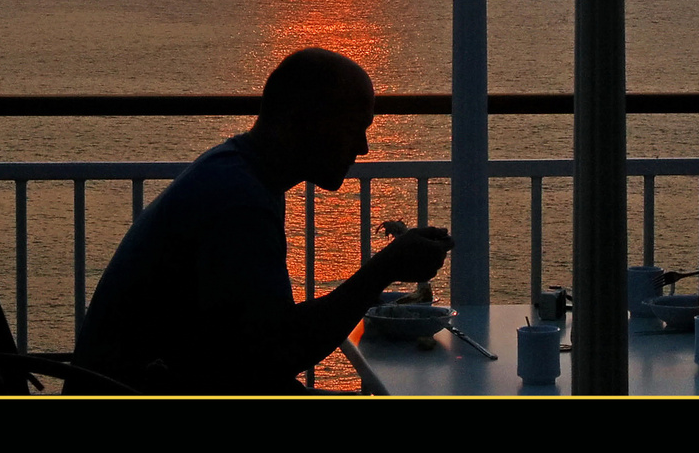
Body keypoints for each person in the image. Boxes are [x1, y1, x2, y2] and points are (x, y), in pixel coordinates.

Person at [66, 48, 453, 395]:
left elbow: (246, 359)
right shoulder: (239, 203)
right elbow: (278, 351)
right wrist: (383, 270)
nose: (363, 147)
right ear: (300, 121)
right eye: (353, 128)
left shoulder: (238, 174)